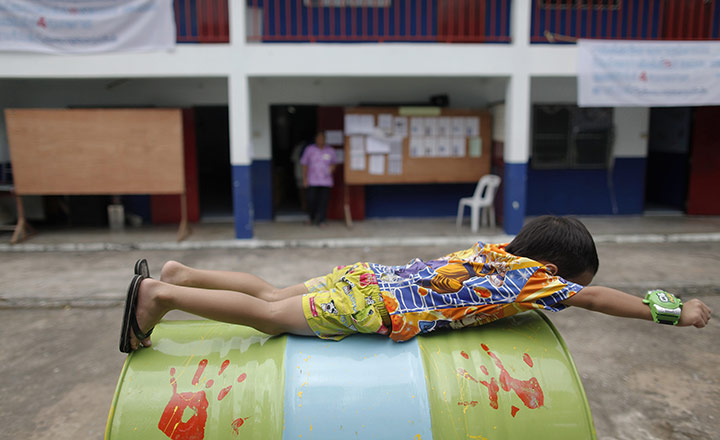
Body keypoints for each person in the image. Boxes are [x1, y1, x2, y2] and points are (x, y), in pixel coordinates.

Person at [120, 216, 712, 353]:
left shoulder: (496, 252)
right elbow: (596, 298)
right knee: (271, 318)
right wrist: (671, 312)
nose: (567, 296)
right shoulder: (533, 280)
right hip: (374, 303)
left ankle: (184, 274)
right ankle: (161, 296)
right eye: (568, 285)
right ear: (554, 271)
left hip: (370, 275)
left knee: (273, 291)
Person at [300, 131, 336, 226]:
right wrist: (304, 178)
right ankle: (311, 217)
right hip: (312, 180)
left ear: (325, 139)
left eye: (322, 138)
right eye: (319, 138)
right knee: (311, 199)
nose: (321, 140)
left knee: (323, 201)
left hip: (326, 181)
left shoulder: (330, 150)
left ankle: (321, 220)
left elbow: (333, 163)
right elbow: (304, 164)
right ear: (315, 139)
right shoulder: (309, 149)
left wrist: (332, 168)